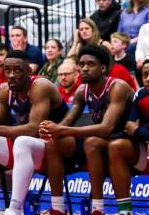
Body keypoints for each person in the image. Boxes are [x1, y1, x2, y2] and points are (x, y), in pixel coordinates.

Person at [0, 50, 68, 215]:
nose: (11, 75)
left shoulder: (40, 87)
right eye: (7, 70)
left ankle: (15, 209)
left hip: (56, 149)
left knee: (22, 141)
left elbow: (34, 129)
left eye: (17, 70)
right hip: (28, 150)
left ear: (29, 71)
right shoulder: (6, 91)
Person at [40, 44, 134, 215]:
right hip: (103, 144)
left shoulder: (117, 87)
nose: (84, 68)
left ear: (103, 68)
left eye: (90, 65)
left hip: (129, 142)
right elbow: (66, 122)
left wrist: (61, 130)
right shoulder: (82, 91)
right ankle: (58, 208)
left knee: (92, 142)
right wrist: (51, 129)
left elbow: (106, 128)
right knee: (54, 143)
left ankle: (103, 208)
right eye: (81, 64)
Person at [107, 59, 149, 215]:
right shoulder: (141, 94)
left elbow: (135, 129)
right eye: (145, 74)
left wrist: (139, 130)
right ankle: (125, 210)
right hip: (145, 151)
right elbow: (129, 125)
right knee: (115, 146)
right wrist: (140, 131)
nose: (148, 78)